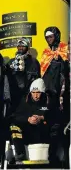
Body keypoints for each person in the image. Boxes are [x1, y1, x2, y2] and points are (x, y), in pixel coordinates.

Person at [40, 27, 69, 165]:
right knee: (50, 125)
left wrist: (61, 61)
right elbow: (43, 73)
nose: (49, 39)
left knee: (63, 125)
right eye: (47, 37)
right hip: (50, 95)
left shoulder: (65, 49)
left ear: (56, 36)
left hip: (64, 94)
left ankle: (64, 158)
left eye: (51, 36)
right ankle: (52, 157)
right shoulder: (46, 53)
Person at [10, 78, 51, 162]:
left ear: (43, 92)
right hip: (27, 132)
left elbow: (55, 116)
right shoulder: (24, 101)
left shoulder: (48, 101)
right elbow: (14, 117)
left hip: (42, 132)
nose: (35, 95)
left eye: (38, 92)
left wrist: (42, 118)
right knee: (13, 127)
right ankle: (20, 154)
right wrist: (27, 119)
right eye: (33, 92)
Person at [6, 37, 40, 113]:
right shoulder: (11, 61)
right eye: (19, 46)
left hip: (28, 94)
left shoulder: (34, 62)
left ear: (27, 47)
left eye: (23, 46)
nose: (20, 48)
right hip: (14, 94)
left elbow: (37, 79)